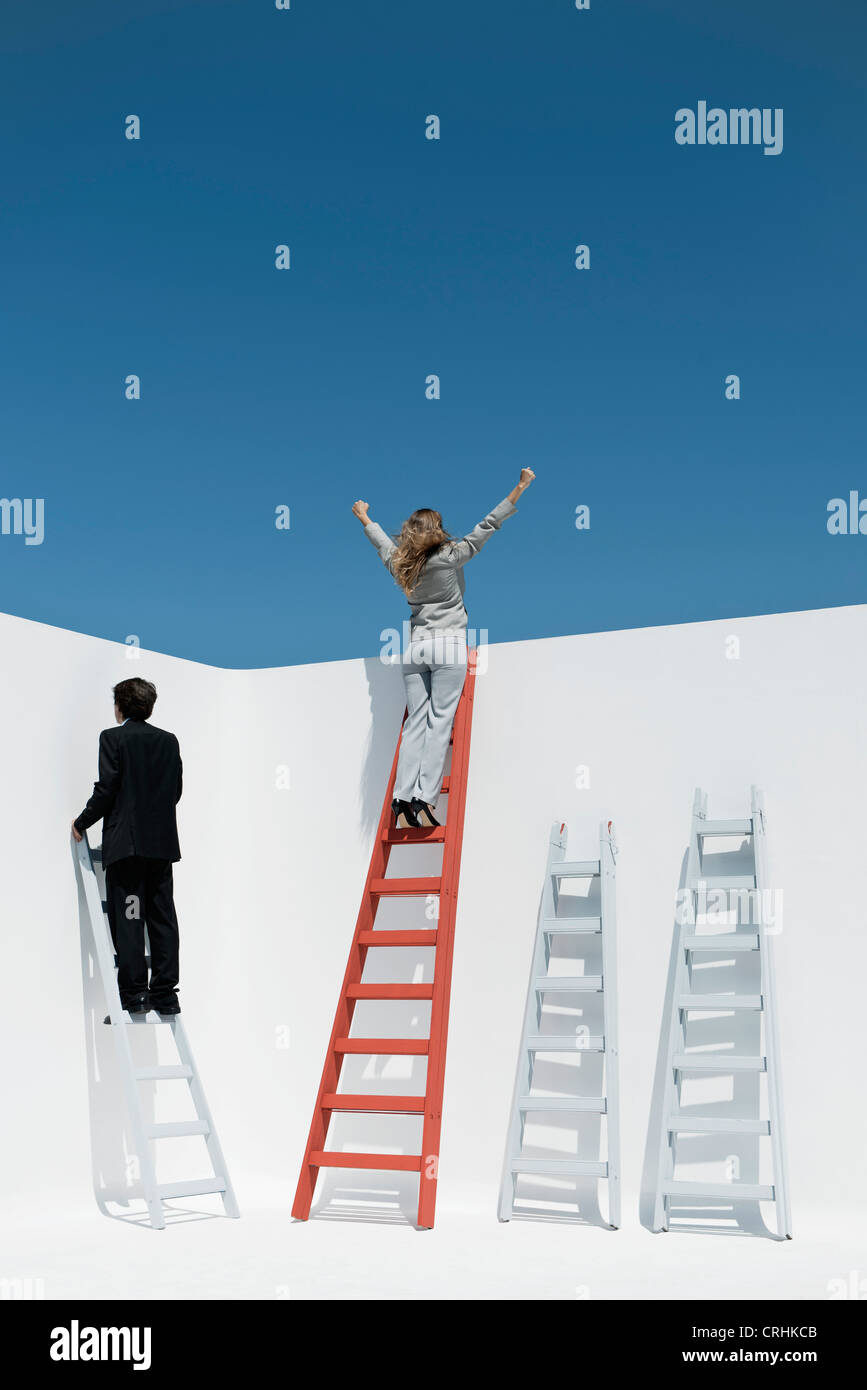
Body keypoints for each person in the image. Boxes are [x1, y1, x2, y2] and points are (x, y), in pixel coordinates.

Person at [354, 470, 535, 828]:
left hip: (416, 649)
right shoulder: (451, 556)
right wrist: (519, 487)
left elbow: (381, 545)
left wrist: (364, 517)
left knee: (415, 725)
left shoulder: (401, 566)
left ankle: (400, 799)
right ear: (436, 530)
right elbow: (487, 526)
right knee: (439, 724)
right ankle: (423, 799)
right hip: (449, 646)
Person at [72, 678, 184, 1017]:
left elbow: (107, 789)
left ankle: (134, 994)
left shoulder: (113, 737)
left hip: (129, 849)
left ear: (120, 706)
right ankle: (166, 994)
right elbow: (174, 791)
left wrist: (82, 822)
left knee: (131, 916)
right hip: (162, 846)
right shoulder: (168, 741)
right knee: (162, 918)